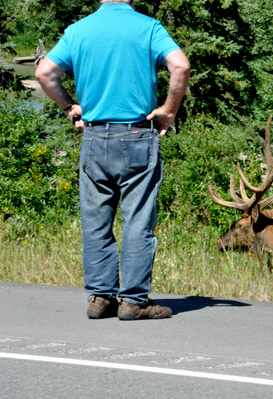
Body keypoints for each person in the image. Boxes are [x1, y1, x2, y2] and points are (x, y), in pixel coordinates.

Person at [36, 0, 190, 320]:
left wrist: (68, 107)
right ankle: (133, 301)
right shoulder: (148, 27)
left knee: (96, 220)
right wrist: (169, 111)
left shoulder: (79, 30)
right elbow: (181, 66)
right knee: (137, 218)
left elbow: (45, 72)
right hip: (137, 136)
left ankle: (100, 297)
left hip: (94, 137)